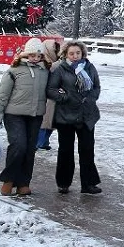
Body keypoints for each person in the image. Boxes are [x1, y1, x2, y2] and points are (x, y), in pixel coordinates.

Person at [0, 38, 49, 196]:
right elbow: (2, 95)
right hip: (14, 115)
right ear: (26, 54)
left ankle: (23, 182)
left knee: (30, 149)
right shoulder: (13, 70)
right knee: (19, 145)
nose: (35, 59)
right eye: (32, 55)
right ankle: (8, 180)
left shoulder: (45, 71)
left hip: (35, 115)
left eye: (39, 56)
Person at [47, 41, 102, 195]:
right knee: (66, 150)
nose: (75, 56)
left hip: (87, 115)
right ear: (66, 54)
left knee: (87, 150)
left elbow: (96, 87)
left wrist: (90, 98)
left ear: (82, 53)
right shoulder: (60, 69)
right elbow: (51, 90)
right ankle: (63, 183)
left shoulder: (89, 67)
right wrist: (65, 97)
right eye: (71, 53)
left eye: (78, 53)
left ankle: (88, 184)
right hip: (66, 116)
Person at [36, 39, 61, 150]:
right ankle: (40, 142)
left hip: (54, 97)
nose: (56, 51)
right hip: (44, 98)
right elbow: (49, 69)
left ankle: (44, 141)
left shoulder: (56, 62)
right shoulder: (43, 61)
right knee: (44, 122)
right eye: (54, 49)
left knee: (51, 122)